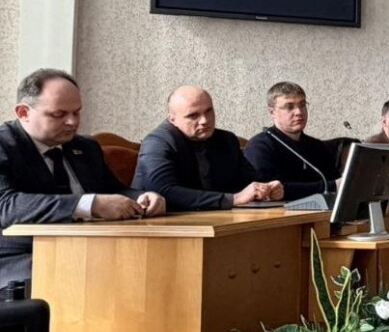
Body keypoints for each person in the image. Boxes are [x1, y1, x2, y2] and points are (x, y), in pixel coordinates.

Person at [0, 69, 166, 289]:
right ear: (23, 112)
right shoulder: (4, 145)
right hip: (20, 256)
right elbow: (6, 206)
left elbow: (112, 191)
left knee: (152, 269)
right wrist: (89, 205)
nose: (72, 122)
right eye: (59, 114)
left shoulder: (85, 147)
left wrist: (143, 197)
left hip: (87, 249)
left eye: (77, 112)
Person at [133, 86, 283, 211]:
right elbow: (163, 191)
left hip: (216, 220)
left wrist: (267, 190)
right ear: (172, 119)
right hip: (163, 225)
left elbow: (250, 182)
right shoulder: (158, 142)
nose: (205, 120)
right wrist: (233, 199)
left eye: (208, 111)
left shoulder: (226, 140)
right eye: (193, 115)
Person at [244, 82, 340, 199]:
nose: (299, 112)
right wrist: (332, 186)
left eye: (302, 105)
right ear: (272, 112)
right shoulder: (260, 146)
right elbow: (268, 191)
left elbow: (338, 183)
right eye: (289, 107)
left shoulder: (317, 146)